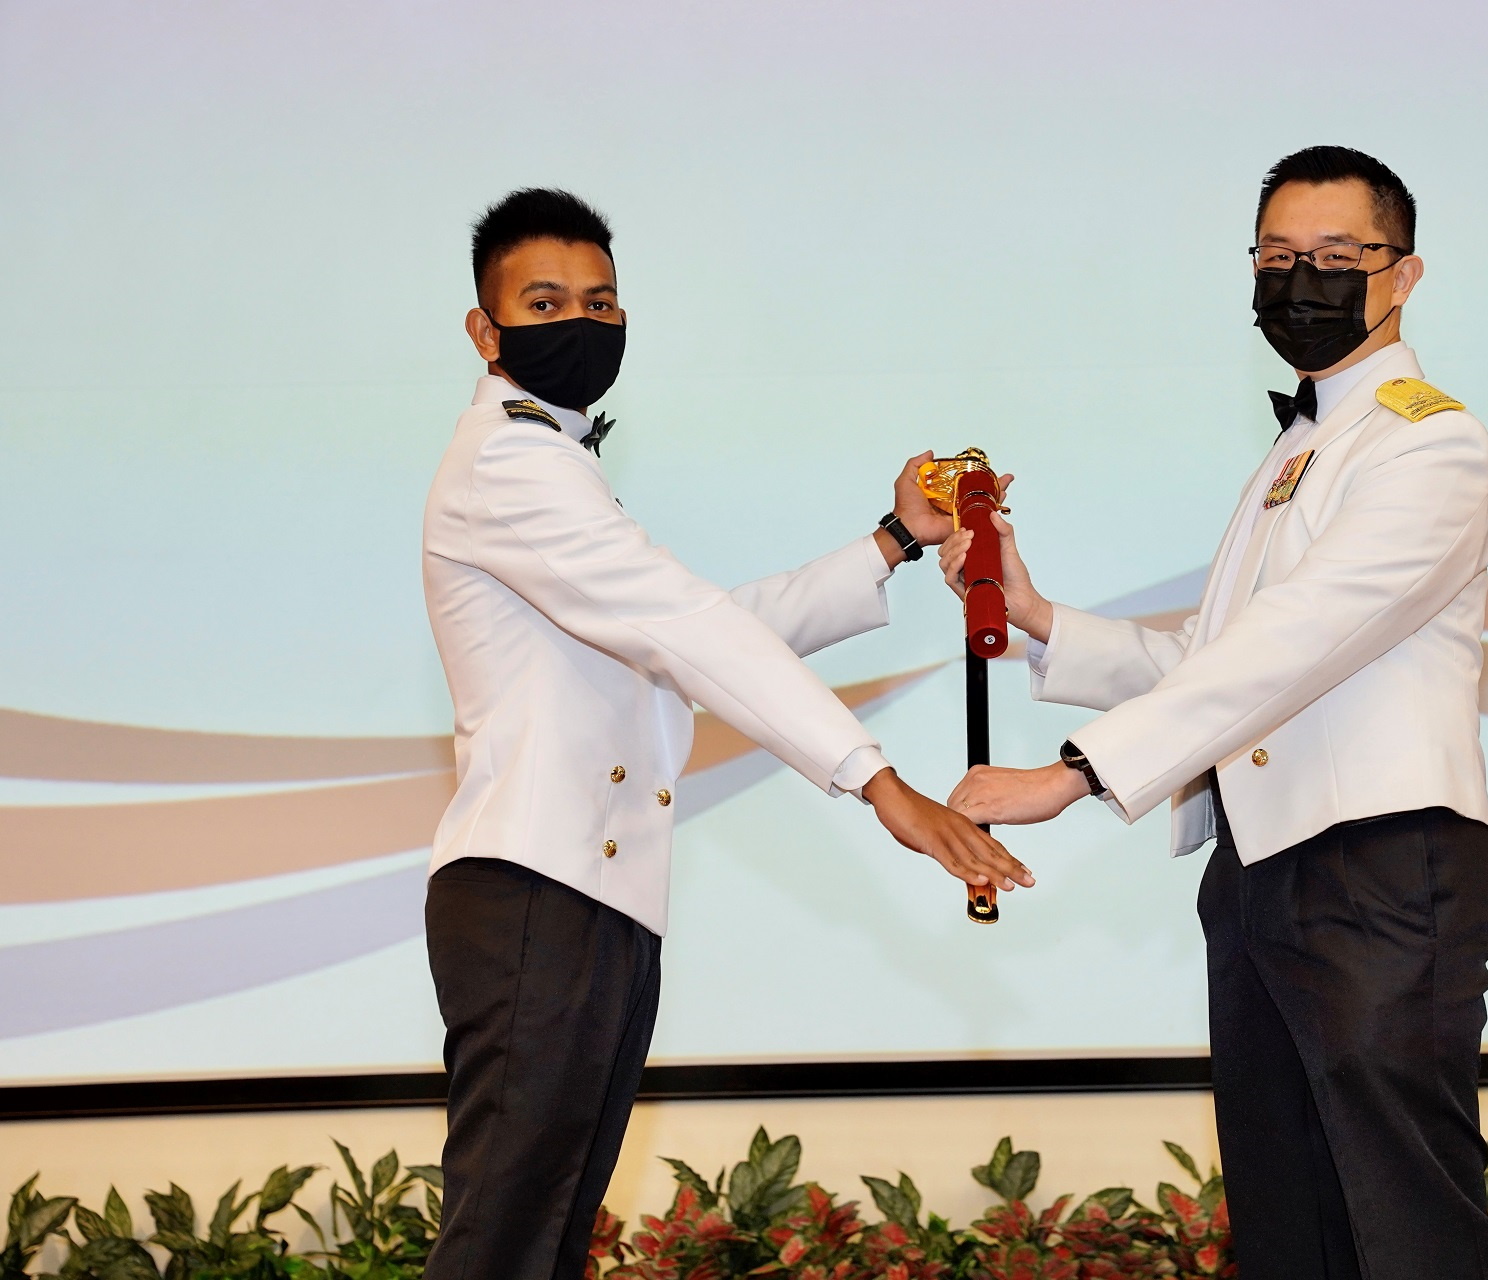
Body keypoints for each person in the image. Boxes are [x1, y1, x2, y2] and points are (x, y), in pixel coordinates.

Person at [421, 188, 1033, 1280]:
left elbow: (702, 632)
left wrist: (894, 540)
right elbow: (686, 626)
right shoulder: (509, 462)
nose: (581, 321)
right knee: (505, 1239)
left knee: (546, 1236)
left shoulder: (557, 460)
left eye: (601, 301)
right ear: (485, 329)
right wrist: (877, 781)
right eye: (545, 302)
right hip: (535, 892)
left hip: (593, 897)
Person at [944, 147, 1488, 1279]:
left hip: (1378, 865)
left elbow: (1294, 644)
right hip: (1263, 871)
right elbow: (1208, 661)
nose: (1302, 281)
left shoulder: (1429, 439)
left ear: (1403, 275)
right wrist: (1035, 612)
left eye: (1336, 256)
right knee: (1291, 1219)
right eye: (1277, 257)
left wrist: (1074, 774)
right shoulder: (1298, 448)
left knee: (1407, 1227)